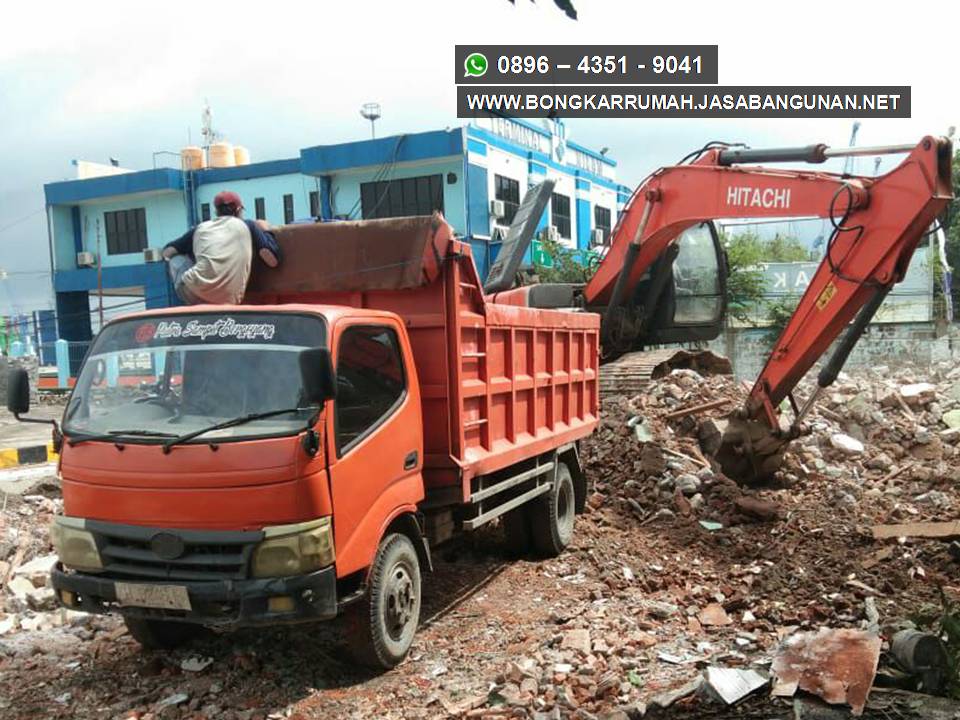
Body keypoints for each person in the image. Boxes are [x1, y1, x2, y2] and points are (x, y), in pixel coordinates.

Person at [162, 190, 281, 305]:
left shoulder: (201, 228)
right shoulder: (248, 225)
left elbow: (167, 252)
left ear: (216, 212)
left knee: (176, 259)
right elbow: (272, 260)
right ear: (238, 210)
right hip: (230, 298)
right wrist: (266, 231)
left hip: (195, 294)